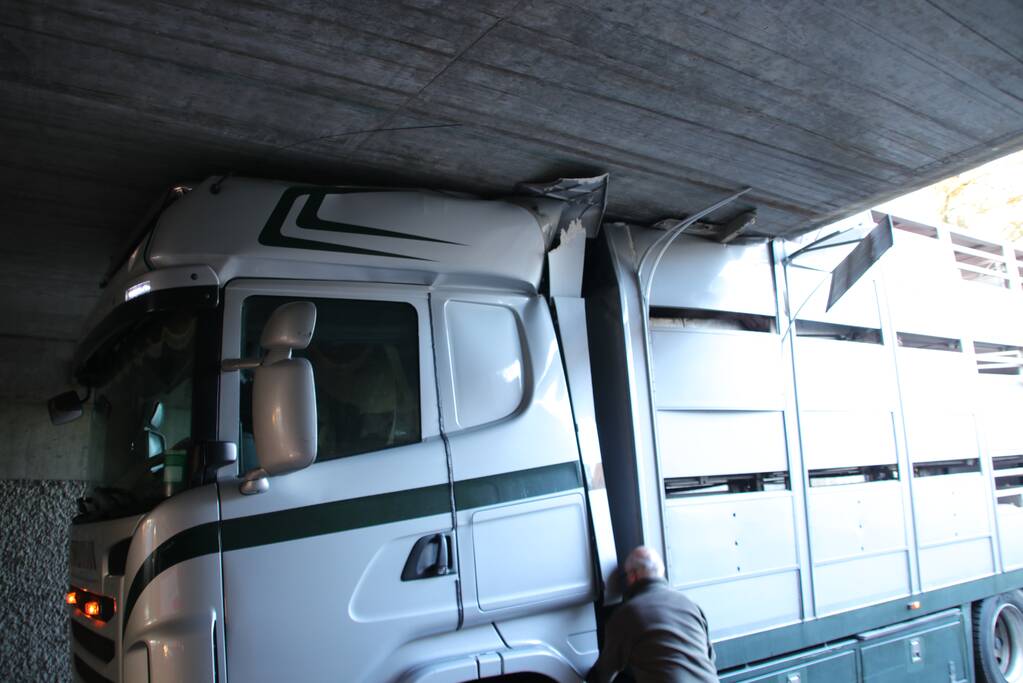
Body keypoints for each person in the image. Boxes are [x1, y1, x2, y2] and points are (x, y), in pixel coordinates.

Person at [587, 546, 719, 683]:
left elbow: (604, 673)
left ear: (632, 576)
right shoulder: (691, 605)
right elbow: (710, 658)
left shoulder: (627, 614)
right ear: (661, 572)